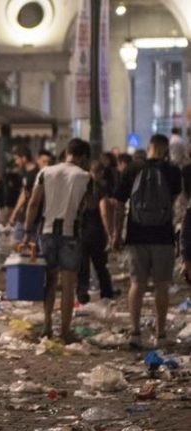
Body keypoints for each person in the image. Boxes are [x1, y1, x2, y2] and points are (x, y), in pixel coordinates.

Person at [115, 134, 182, 348]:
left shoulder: (132, 169)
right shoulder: (172, 171)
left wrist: (116, 233)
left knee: (137, 284)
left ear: (149, 146)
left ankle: (135, 333)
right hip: (163, 236)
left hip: (136, 235)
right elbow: (173, 203)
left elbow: (118, 204)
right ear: (164, 149)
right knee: (162, 286)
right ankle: (161, 335)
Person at [22, 138, 92, 342]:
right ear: (83, 157)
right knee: (69, 284)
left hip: (46, 231)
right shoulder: (85, 176)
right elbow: (90, 204)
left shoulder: (45, 172)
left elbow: (34, 203)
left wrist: (27, 231)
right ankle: (66, 330)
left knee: (50, 281)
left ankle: (47, 325)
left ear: (66, 152)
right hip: (70, 233)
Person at [76, 160, 117, 304]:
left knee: (82, 266)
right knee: (100, 266)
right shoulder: (100, 188)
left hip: (81, 231)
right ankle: (107, 294)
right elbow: (104, 210)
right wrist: (110, 232)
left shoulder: (79, 187)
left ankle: (82, 295)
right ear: (100, 172)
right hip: (96, 232)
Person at [8, 146, 39, 242]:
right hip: (25, 215)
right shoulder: (26, 173)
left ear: (24, 158)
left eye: (17, 159)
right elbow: (24, 193)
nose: (16, 162)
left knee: (17, 243)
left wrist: (15, 213)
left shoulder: (34, 174)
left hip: (30, 216)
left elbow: (26, 195)